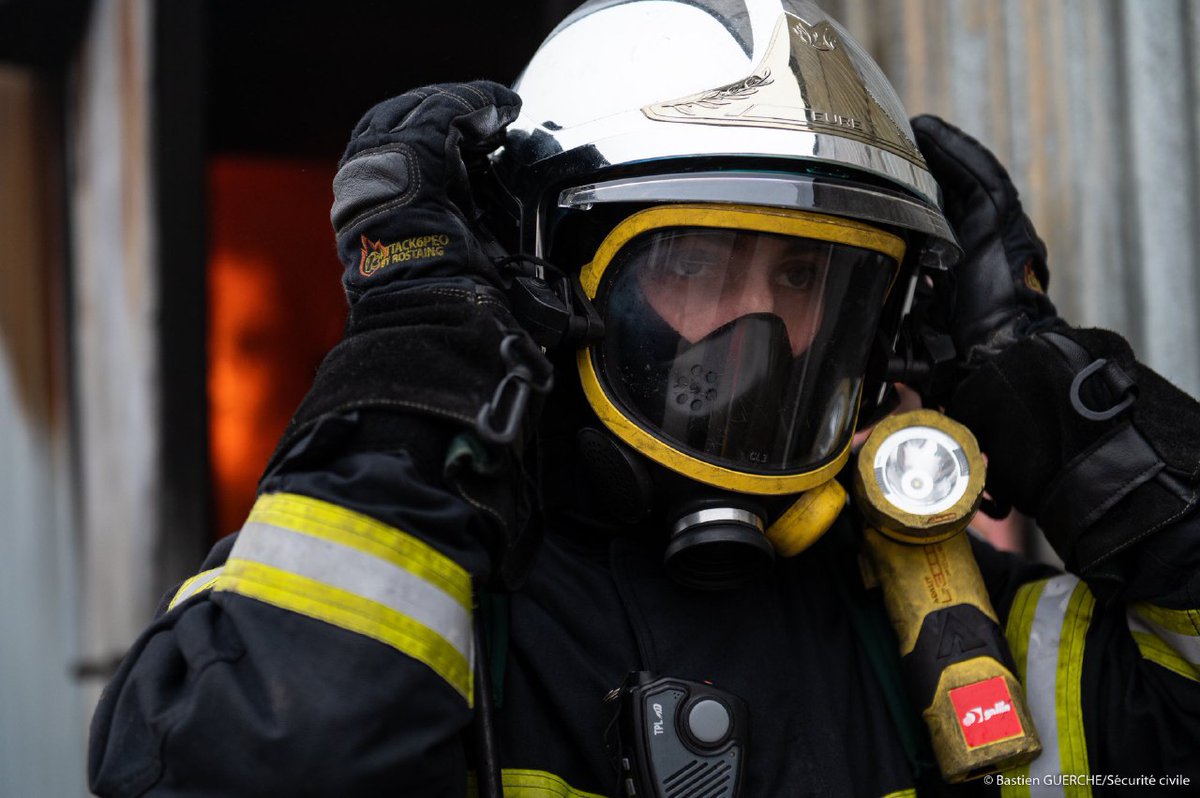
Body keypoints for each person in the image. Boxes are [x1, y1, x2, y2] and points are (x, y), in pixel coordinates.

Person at [89, 1, 1200, 796]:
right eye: (694, 265)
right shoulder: (422, 615)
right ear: (549, 278)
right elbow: (262, 756)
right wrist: (423, 363)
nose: (757, 329)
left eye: (805, 277)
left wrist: (1050, 390)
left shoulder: (963, 635)